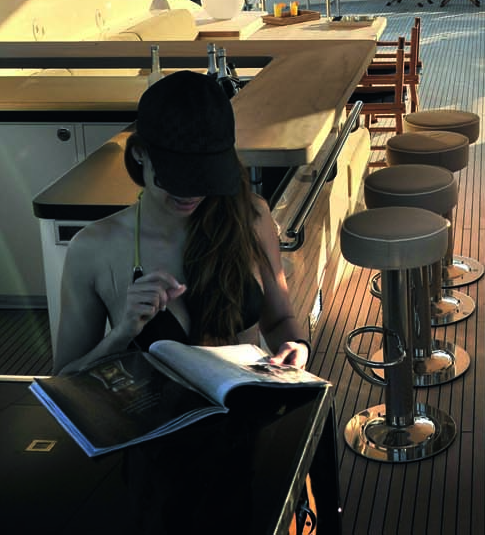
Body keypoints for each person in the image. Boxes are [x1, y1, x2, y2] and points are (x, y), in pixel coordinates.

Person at [53, 70, 310, 374]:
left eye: (205, 178)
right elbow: (64, 378)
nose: (191, 194)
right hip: (155, 407)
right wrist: (122, 333)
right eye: (177, 178)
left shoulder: (250, 216)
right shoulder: (93, 248)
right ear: (139, 154)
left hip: (246, 401)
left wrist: (297, 347)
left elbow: (279, 321)